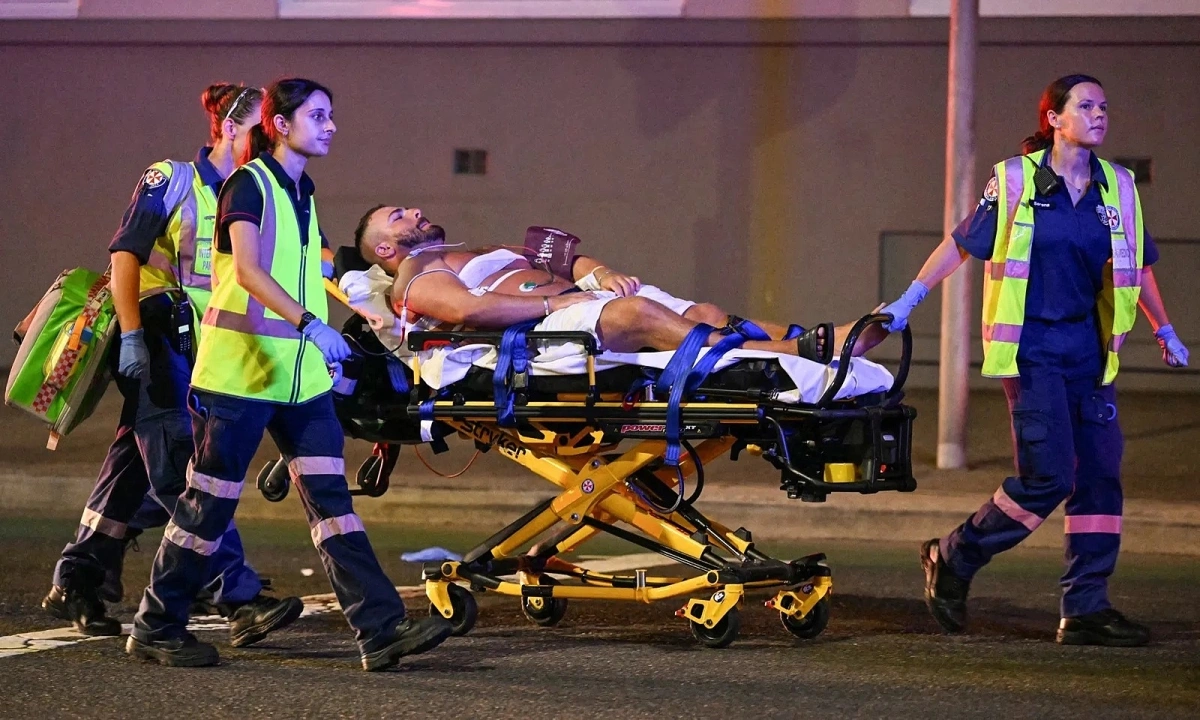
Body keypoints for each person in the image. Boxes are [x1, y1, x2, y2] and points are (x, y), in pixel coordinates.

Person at [129, 78, 452, 669]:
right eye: (318, 116)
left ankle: (379, 630)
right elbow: (248, 271)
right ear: (280, 124)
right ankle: (156, 625)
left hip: (300, 382)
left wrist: (367, 311)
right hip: (239, 376)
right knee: (208, 507)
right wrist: (311, 324)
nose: (331, 126)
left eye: (331, 116)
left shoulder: (303, 191)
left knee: (333, 504)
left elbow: (314, 269)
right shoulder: (248, 184)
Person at [880, 75, 1189, 647]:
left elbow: (1138, 265)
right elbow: (962, 242)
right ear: (1054, 119)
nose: (1099, 114)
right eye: (1086, 106)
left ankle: (1086, 607)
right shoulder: (1016, 179)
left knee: (1099, 478)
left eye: (1104, 106)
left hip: (1092, 354)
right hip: (1033, 352)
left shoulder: (1119, 187)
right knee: (1048, 478)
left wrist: (1163, 328)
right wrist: (908, 299)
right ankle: (954, 555)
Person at [44, 83, 303, 648]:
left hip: (209, 354)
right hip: (159, 341)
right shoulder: (172, 179)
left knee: (133, 468)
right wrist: (134, 335)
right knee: (182, 469)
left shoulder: (252, 191)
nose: (268, 142)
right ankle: (236, 593)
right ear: (229, 128)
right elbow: (125, 254)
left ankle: (78, 576)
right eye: (258, 131)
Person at [349, 205, 885, 359]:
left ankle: (811, 337)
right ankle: (802, 351)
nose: (414, 211)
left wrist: (599, 273)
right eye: (398, 217)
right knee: (641, 315)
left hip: (584, 303)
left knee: (705, 314)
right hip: (549, 332)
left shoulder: (473, 248)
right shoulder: (415, 277)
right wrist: (557, 305)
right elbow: (469, 312)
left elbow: (563, 259)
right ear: (386, 250)